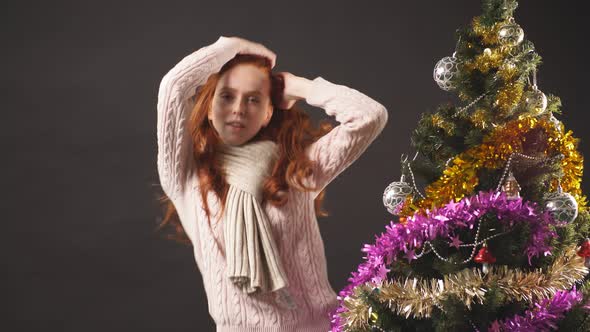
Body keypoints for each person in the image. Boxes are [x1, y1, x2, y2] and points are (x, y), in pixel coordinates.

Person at [156, 36, 388, 331]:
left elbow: (370, 116)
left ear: (268, 112)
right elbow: (173, 87)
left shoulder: (298, 169)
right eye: (227, 96)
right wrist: (229, 46)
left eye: (253, 98)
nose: (239, 108)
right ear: (210, 109)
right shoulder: (185, 177)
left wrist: (301, 87)